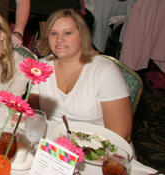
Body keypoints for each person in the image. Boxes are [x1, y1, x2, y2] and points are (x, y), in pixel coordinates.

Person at [29, 8, 132, 141]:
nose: (59, 39)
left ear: (82, 35)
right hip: (52, 147)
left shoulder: (105, 71)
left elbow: (121, 135)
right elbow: (34, 114)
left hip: (99, 150)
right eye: (53, 33)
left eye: (67, 33)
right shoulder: (40, 68)